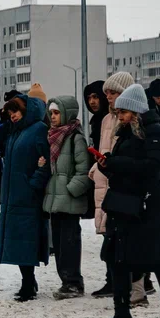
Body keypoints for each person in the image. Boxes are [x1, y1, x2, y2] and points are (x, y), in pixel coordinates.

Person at [95, 83, 160, 318]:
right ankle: (122, 314)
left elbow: (153, 167)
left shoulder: (155, 131)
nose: (120, 117)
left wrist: (117, 163)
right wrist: (106, 165)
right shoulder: (126, 133)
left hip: (150, 206)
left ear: (135, 111)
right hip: (124, 205)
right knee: (119, 260)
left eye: (123, 112)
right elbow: (125, 167)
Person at [0, 95, 51, 302]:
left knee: (26, 241)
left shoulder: (38, 129)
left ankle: (28, 284)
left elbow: (46, 162)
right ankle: (28, 281)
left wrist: (33, 183)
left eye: (15, 111)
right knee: (18, 241)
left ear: (25, 110)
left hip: (28, 196)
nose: (13, 116)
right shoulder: (15, 132)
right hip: (14, 196)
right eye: (10, 113)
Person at [90, 71, 140, 301]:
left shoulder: (130, 121)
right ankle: (113, 281)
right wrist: (98, 165)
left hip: (119, 180)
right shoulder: (105, 119)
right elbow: (104, 148)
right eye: (107, 93)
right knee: (108, 235)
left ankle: (137, 282)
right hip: (104, 179)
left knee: (124, 236)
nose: (108, 96)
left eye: (112, 92)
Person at [42, 96, 93, 298]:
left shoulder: (75, 138)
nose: (53, 117)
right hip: (56, 201)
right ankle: (65, 282)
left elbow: (84, 170)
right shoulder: (52, 136)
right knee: (59, 244)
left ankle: (73, 283)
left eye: (57, 113)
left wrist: (71, 190)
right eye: (51, 113)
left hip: (69, 201)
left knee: (69, 243)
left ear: (67, 114)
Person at [84, 80, 108, 146]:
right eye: (89, 98)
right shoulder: (95, 120)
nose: (91, 102)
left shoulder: (113, 118)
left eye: (95, 97)